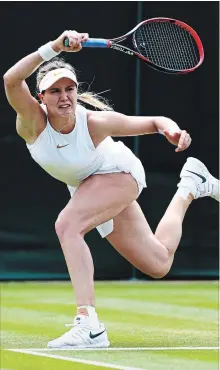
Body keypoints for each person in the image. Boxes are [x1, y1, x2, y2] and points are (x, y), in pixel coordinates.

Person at [4, 30, 219, 349]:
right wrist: (52, 48)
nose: (64, 96)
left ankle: (88, 324)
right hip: (91, 188)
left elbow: (153, 122)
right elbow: (11, 79)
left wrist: (171, 131)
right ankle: (191, 185)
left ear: (76, 92)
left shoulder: (93, 123)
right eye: (55, 91)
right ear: (41, 98)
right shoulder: (32, 122)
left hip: (119, 174)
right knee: (159, 263)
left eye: (69, 89)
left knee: (67, 226)